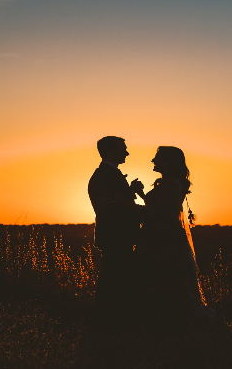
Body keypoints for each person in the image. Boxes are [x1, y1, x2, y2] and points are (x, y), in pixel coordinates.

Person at [132, 146, 215, 328]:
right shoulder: (172, 182)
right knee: (166, 278)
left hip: (163, 238)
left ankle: (172, 322)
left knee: (166, 277)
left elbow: (159, 213)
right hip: (163, 234)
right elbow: (160, 208)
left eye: (157, 157)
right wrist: (141, 194)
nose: (153, 161)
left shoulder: (171, 184)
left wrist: (130, 207)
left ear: (169, 161)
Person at [87, 136, 144, 325]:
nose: (126, 153)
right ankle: (108, 319)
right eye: (123, 149)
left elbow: (117, 202)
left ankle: (112, 317)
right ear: (111, 151)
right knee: (113, 278)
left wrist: (130, 193)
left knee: (117, 277)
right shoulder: (103, 176)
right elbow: (111, 210)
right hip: (116, 237)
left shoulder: (108, 174)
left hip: (118, 236)